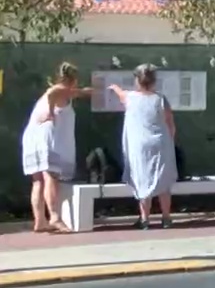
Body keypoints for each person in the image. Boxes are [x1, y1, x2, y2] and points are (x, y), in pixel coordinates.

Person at [21, 62, 94, 233]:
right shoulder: (59, 90)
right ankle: (54, 217)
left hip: (34, 138)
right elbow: (52, 92)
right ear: (73, 79)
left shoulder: (66, 92)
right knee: (50, 177)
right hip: (47, 139)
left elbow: (80, 92)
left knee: (38, 180)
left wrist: (91, 91)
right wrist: (51, 111)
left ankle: (40, 221)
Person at [108, 64, 178, 229]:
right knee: (163, 182)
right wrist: (170, 140)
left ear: (137, 80)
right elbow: (170, 123)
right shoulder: (160, 99)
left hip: (140, 146)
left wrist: (114, 87)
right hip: (161, 143)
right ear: (154, 80)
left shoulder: (130, 97)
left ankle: (145, 219)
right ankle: (166, 218)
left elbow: (119, 93)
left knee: (142, 180)